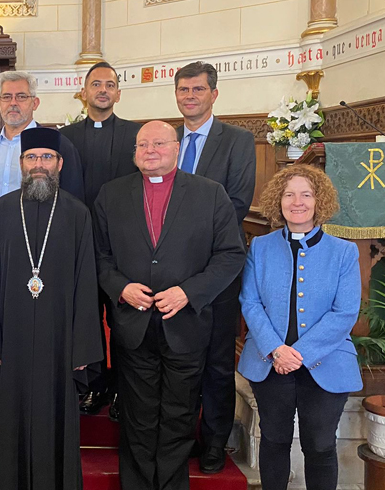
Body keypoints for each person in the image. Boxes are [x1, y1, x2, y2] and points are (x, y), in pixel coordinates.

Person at [93, 121, 245, 490]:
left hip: (186, 323)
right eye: (142, 144)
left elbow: (230, 255)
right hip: (133, 324)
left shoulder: (210, 194)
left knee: (179, 416)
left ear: (177, 148)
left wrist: (189, 292)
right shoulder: (110, 195)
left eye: (158, 143)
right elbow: (98, 256)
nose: (150, 150)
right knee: (138, 416)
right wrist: (121, 287)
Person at [0, 127, 102, 490]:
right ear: (21, 163)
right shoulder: (0, 212)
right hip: (13, 335)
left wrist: (82, 347)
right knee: (14, 414)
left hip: (60, 335)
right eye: (32, 157)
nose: (39, 164)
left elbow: (87, 282)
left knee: (57, 415)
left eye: (46, 157)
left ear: (60, 164)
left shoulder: (77, 214)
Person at [238, 164, 362, 490]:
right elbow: (250, 303)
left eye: (306, 194)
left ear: (318, 201)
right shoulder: (261, 247)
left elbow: (345, 311)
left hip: (327, 362)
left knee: (319, 445)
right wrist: (277, 350)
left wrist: (299, 353)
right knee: (275, 439)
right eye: (289, 194)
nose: (297, 202)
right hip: (270, 362)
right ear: (278, 202)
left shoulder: (344, 252)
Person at [172, 61, 256, 472]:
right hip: (170, 273)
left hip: (218, 267)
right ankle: (183, 434)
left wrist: (187, 242)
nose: (190, 96)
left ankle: (214, 442)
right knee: (180, 358)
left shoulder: (237, 141)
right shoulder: (166, 140)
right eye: (183, 90)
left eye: (197, 90)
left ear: (213, 94)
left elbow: (237, 202)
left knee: (218, 361)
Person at [60, 61, 141, 419]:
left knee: (123, 321)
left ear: (119, 93)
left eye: (109, 85)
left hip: (124, 245)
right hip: (78, 244)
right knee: (86, 319)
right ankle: (93, 385)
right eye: (96, 84)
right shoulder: (67, 138)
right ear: (84, 92)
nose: (103, 90)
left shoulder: (135, 136)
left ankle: (124, 388)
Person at [0, 70, 85, 223]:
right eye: (7, 97)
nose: (13, 103)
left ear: (35, 103)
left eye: (21, 96)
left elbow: (72, 200)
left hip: (38, 235)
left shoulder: (57, 145)